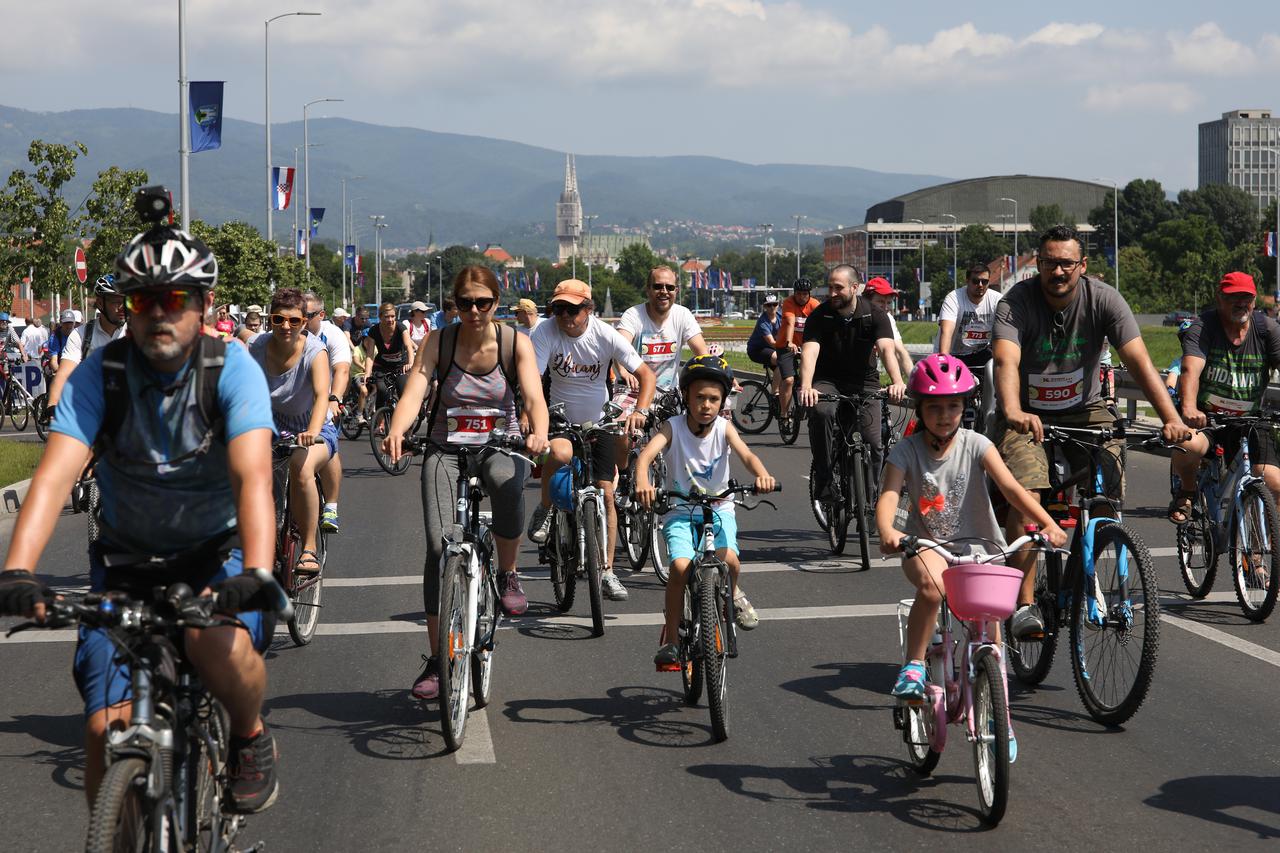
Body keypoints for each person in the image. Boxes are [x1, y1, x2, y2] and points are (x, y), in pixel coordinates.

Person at [0, 210, 280, 813]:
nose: (158, 313)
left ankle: (249, 736)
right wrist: (18, 570)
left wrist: (256, 572)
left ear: (203, 305)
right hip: (125, 567)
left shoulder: (230, 369)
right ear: (125, 307)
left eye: (174, 298)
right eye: (142, 299)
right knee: (104, 732)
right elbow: (53, 477)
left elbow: (252, 477)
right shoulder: (100, 376)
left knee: (212, 642)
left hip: (217, 560)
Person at [991, 225, 1191, 638]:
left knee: (1107, 494)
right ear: (1037, 265)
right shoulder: (1016, 302)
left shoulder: (1105, 300)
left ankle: (1083, 569)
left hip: (1087, 412)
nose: (1057, 271)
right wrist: (1012, 410)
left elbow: (1138, 361)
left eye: (1066, 263)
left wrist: (1171, 418)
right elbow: (1005, 360)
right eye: (1049, 263)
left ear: (1082, 266)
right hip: (1028, 414)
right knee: (1027, 495)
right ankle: (1024, 605)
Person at [383, 266, 550, 700]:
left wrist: (539, 432)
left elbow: (534, 396)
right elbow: (416, 390)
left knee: (506, 483)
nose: (474, 311)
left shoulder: (514, 343)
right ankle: (439, 660)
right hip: (446, 447)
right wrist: (398, 429)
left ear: (496, 303)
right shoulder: (439, 341)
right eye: (465, 303)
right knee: (439, 547)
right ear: (454, 305)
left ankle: (509, 574)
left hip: (499, 443)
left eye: (483, 303)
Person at [877, 355, 1066, 706]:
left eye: (953, 406)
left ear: (965, 407)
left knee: (991, 640)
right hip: (927, 545)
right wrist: (888, 531)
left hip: (981, 548)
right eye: (935, 407)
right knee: (932, 588)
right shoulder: (906, 450)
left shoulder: (977, 444)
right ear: (920, 409)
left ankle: (995, 711)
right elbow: (889, 494)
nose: (945, 415)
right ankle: (914, 666)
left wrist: (1048, 523)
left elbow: (1012, 489)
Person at [634, 355, 776, 666]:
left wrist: (762, 475)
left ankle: (731, 596)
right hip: (680, 510)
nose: (706, 405)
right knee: (680, 567)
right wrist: (643, 481)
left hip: (719, 509)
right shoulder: (672, 427)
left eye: (714, 399)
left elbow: (747, 455)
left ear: (723, 401)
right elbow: (645, 457)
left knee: (731, 561)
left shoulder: (724, 428)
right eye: (700, 397)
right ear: (686, 396)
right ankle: (672, 639)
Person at [528, 279, 656, 600]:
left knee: (606, 494)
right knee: (558, 454)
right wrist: (531, 419)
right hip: (559, 418)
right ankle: (545, 507)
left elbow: (646, 375)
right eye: (558, 309)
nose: (564, 316)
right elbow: (533, 378)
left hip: (599, 421)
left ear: (588, 309)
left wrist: (640, 410)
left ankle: (608, 571)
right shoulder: (544, 332)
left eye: (572, 310)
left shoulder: (605, 335)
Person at [1169, 272, 1280, 529]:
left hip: (1250, 420)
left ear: (1254, 301)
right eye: (1233, 297)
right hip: (1207, 418)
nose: (1241, 303)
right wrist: (1189, 408)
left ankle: (1263, 548)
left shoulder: (1267, 330)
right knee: (1187, 444)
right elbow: (1190, 370)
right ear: (1220, 299)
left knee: (1274, 484)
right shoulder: (1203, 327)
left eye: (1246, 298)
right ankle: (1187, 490)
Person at [796, 265, 907, 500]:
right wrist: (806, 386)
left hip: (865, 381)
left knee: (874, 443)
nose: (832, 293)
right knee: (822, 413)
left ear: (855, 288)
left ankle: (872, 499)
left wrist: (897, 381)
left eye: (838, 288)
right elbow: (810, 352)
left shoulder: (875, 314)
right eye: (830, 287)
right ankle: (825, 481)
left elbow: (887, 350)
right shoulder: (820, 315)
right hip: (828, 380)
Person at [247, 288, 334, 577]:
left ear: (303, 322)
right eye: (279, 319)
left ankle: (309, 548)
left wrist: (312, 431)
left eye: (294, 321)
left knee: (301, 466)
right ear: (269, 320)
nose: (286, 326)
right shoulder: (256, 346)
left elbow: (321, 396)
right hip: (272, 427)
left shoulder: (315, 351)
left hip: (314, 428)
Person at [303, 291, 353, 533]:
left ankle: (331, 506)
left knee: (327, 444)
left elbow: (342, 370)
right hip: (292, 405)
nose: (301, 320)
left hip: (323, 402)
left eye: (307, 315)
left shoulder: (332, 335)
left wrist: (334, 398)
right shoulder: (288, 331)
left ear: (321, 315)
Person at [46, 275, 127, 418]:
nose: (122, 307)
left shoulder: (137, 332)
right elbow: (64, 373)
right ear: (100, 303)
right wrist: (53, 405)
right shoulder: (81, 335)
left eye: (126, 301)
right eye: (116, 302)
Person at [937, 263, 1003, 369]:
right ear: (967, 281)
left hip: (981, 353)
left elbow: (1005, 332)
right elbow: (946, 332)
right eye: (976, 281)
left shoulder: (997, 300)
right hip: (954, 354)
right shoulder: (953, 298)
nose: (980, 285)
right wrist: (944, 363)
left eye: (984, 282)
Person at [775, 278, 818, 423]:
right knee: (788, 380)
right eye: (798, 293)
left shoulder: (814, 305)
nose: (801, 297)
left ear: (809, 294)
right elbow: (790, 322)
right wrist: (789, 341)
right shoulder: (789, 302)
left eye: (805, 294)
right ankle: (784, 414)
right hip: (785, 345)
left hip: (806, 346)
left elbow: (822, 324)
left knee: (815, 377)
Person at [362, 301, 415, 405]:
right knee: (382, 391)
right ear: (380, 317)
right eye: (386, 317)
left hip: (400, 366)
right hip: (381, 367)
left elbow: (409, 347)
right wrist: (367, 373)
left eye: (392, 316)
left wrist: (410, 363)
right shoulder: (374, 331)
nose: (390, 319)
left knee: (403, 392)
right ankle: (381, 415)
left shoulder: (401, 328)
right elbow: (370, 355)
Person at [863, 278, 914, 380]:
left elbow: (900, 352)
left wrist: (915, 381)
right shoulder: (857, 315)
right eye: (881, 301)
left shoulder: (888, 318)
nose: (886, 307)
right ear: (866, 301)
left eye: (889, 302)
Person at [746, 296, 782, 396]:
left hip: (770, 350)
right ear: (764, 307)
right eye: (769, 305)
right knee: (781, 361)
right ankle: (774, 393)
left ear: (778, 305)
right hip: (756, 350)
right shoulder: (763, 322)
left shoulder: (781, 316)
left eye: (774, 304)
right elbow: (772, 342)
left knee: (787, 371)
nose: (772, 307)